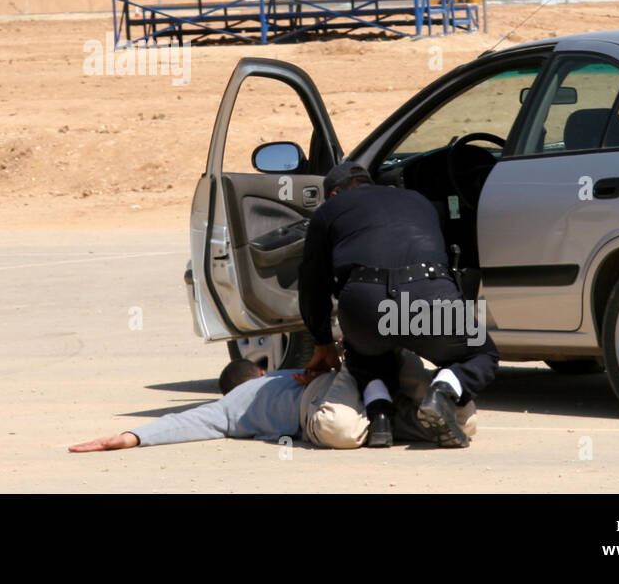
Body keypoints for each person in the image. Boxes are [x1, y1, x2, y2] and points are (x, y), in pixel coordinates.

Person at [298, 161, 500, 449]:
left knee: (364, 353)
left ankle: (380, 418)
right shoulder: (416, 199)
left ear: (333, 194)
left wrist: (322, 342)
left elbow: (312, 282)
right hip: (429, 294)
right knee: (482, 354)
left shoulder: (330, 210)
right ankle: (443, 392)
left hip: (366, 302)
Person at [68, 349, 476, 452]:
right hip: (336, 394)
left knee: (343, 432)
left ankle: (364, 363)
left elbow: (182, 422)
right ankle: (441, 399)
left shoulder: (229, 408)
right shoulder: (257, 388)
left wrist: (130, 436)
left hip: (328, 406)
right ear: (259, 373)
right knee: (457, 421)